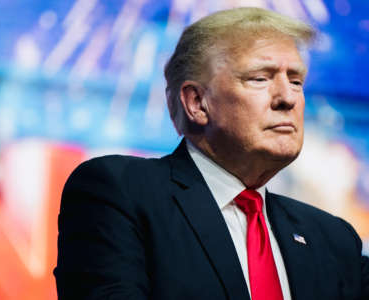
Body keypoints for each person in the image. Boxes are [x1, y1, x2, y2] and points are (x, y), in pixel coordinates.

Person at [54, 7, 369, 300]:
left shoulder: (332, 238)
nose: (288, 97)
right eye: (260, 78)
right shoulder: (122, 192)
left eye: (296, 80)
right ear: (197, 103)